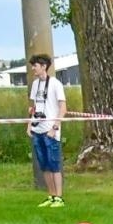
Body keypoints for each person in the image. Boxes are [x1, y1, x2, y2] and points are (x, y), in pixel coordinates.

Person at [28, 54, 67, 208]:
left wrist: (55, 127)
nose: (33, 68)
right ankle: (50, 195)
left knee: (54, 164)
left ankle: (59, 197)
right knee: (44, 164)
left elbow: (63, 108)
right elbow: (33, 107)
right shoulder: (35, 84)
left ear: (43, 66)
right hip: (38, 129)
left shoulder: (56, 84)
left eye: (35, 65)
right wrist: (29, 125)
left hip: (51, 131)